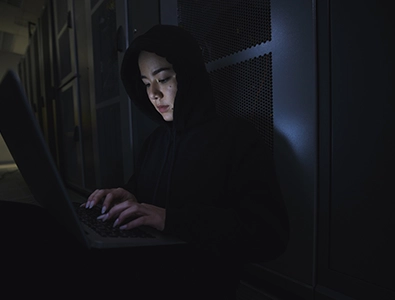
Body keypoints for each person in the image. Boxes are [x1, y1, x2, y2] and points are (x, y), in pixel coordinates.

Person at [83, 24, 290, 299]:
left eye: (164, 78)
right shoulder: (155, 141)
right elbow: (147, 194)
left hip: (200, 286)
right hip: (145, 278)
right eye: (146, 83)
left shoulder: (236, 137)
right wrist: (127, 195)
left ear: (189, 74)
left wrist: (172, 219)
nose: (154, 94)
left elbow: (268, 235)